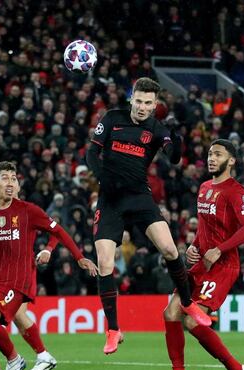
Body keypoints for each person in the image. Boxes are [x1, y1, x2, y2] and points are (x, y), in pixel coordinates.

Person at [86, 77, 208, 355]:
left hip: (139, 197)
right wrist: (103, 177)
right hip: (110, 199)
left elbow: (174, 157)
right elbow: (92, 153)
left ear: (155, 106)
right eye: (138, 100)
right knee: (105, 262)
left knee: (169, 248)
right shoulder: (112, 118)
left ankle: (188, 302)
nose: (142, 107)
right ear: (132, 98)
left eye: (148, 103)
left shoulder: (156, 128)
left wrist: (175, 137)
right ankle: (114, 329)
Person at [0, 161, 97, 370]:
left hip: (17, 278)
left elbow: (57, 231)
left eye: (14, 179)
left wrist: (79, 257)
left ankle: (15, 360)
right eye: (5, 178)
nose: (10, 183)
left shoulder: (27, 210)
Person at [149, 140, 244, 370]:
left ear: (231, 161)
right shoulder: (205, 187)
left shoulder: (236, 191)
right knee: (171, 312)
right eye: (209, 153)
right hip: (201, 263)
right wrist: (194, 247)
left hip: (223, 266)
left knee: (190, 319)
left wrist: (220, 249)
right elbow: (204, 228)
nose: (211, 158)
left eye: (218, 154)